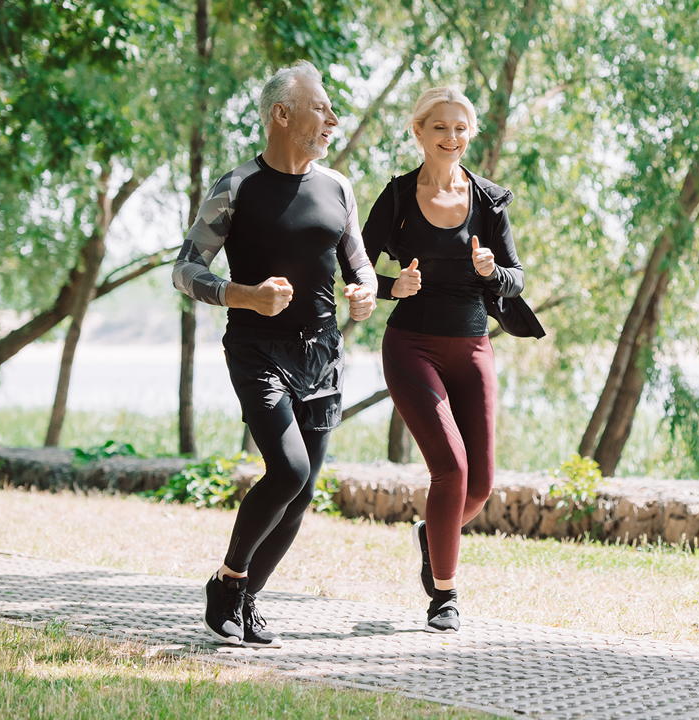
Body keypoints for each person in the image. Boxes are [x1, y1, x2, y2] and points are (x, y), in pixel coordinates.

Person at [172, 60, 377, 648]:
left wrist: (362, 292)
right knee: (286, 470)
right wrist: (243, 296)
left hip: (323, 354)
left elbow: (355, 259)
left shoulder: (337, 186)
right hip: (256, 349)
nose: (333, 119)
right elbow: (185, 269)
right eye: (321, 108)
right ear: (282, 115)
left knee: (305, 490)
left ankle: (248, 599)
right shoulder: (236, 188)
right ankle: (228, 579)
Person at [362, 87, 540, 633]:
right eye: (440, 128)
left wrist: (491, 272)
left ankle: (431, 535)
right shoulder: (395, 198)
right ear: (418, 133)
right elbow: (358, 270)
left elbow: (517, 278)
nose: (452, 138)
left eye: (461, 128)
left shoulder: (488, 201)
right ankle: (444, 595)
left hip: (473, 347)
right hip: (411, 346)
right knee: (452, 470)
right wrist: (396, 286)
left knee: (480, 485)